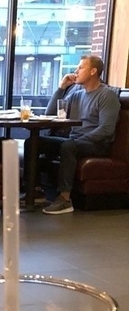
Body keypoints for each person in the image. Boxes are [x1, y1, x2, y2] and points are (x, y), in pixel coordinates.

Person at [33, 55, 120, 215]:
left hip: (97, 144)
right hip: (75, 142)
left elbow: (106, 129)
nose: (76, 71)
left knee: (68, 145)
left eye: (80, 67)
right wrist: (61, 88)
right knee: (34, 142)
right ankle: (35, 191)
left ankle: (65, 199)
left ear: (93, 71)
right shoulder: (77, 95)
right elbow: (50, 114)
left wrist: (78, 140)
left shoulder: (107, 95)